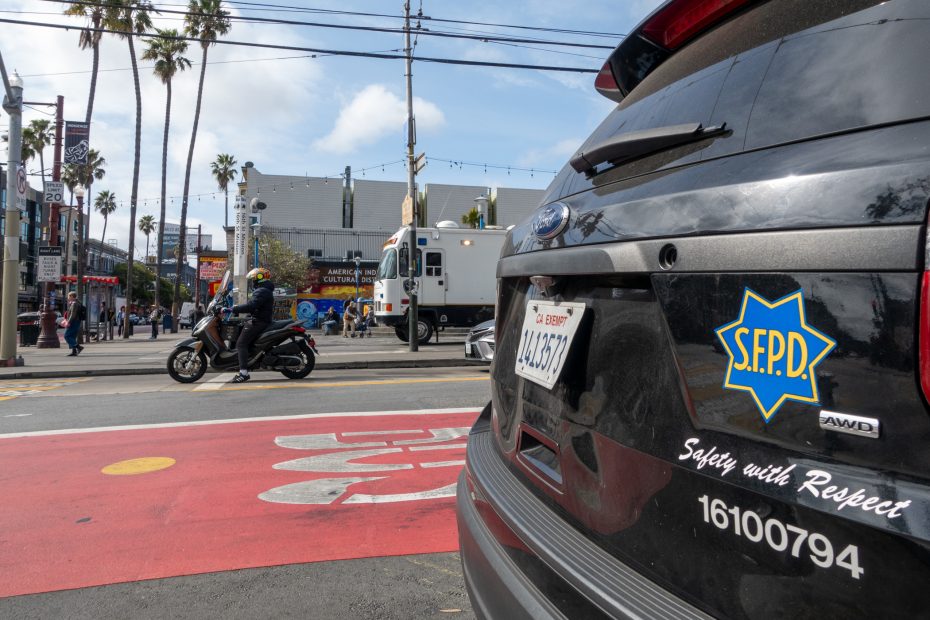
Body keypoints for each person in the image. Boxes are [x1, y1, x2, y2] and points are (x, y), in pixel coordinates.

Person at [229, 267, 275, 384]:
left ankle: (243, 373)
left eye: (253, 280)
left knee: (241, 343)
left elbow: (251, 306)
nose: (252, 282)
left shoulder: (262, 291)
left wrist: (233, 309)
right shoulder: (265, 290)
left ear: (258, 279)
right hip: (260, 319)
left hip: (259, 321)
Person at [63, 291, 84, 356]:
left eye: (69, 296)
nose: (68, 298)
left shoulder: (74, 304)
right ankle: (74, 351)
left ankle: (78, 347)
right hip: (76, 321)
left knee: (67, 335)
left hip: (73, 322)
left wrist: (68, 322)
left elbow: (73, 314)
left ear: (72, 296)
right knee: (72, 336)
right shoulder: (77, 303)